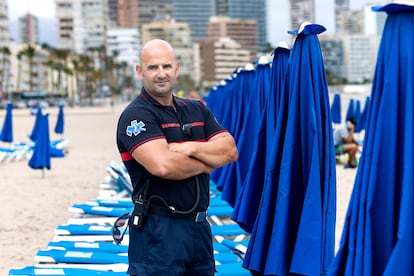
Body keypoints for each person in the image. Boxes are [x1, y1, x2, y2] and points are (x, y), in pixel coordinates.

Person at [116, 39, 238, 275]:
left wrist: (191, 148)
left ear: (177, 68)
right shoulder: (136, 116)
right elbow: (164, 166)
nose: (161, 74)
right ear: (140, 71)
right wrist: (208, 162)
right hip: (158, 231)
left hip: (200, 228)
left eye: (166, 66)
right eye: (153, 67)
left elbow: (230, 151)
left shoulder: (196, 109)